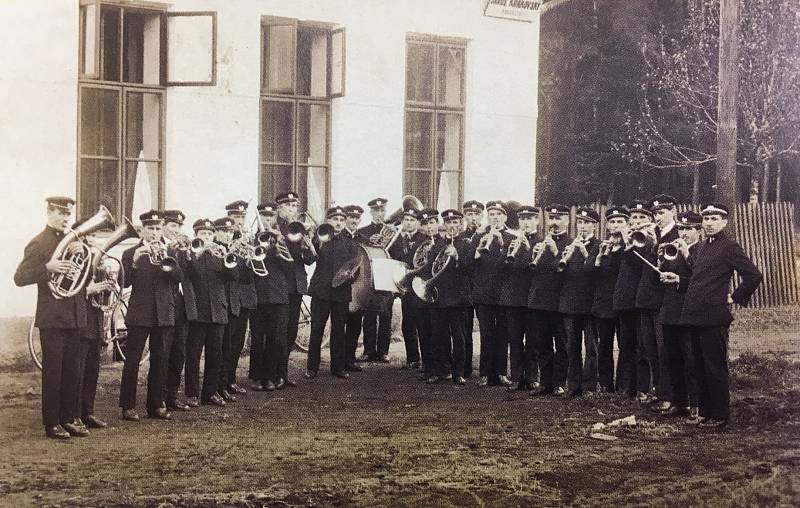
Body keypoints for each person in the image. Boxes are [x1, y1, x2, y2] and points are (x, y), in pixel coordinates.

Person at [662, 203, 762, 429]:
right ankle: (705, 413)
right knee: (698, 366)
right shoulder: (704, 246)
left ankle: (719, 415)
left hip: (713, 317)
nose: (709, 223)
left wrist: (733, 297)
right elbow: (701, 281)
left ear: (724, 222)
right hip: (693, 316)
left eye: (714, 219)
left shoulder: (730, 247)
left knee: (714, 367)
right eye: (706, 219)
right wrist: (678, 281)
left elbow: (753, 275)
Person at [15, 196, 89, 439]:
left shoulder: (75, 241)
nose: (66, 218)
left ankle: (69, 418)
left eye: (68, 214)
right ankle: (52, 423)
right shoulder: (39, 243)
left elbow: (83, 278)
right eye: (60, 213)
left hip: (74, 315)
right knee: (54, 371)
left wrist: (83, 254)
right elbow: (20, 277)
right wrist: (48, 268)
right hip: (52, 317)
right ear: (49, 213)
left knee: (72, 371)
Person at [119, 210, 184, 421]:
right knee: (132, 361)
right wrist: (135, 263)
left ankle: (156, 404)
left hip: (164, 313)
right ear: (142, 230)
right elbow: (124, 283)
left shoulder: (170, 250)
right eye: (150, 229)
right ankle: (128, 406)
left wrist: (168, 257)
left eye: (157, 228)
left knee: (160, 360)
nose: (155, 233)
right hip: (140, 313)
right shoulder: (131, 253)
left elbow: (179, 277)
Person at [184, 218, 235, 407]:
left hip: (218, 310)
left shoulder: (219, 253)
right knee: (194, 354)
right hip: (199, 311)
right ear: (196, 235)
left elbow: (232, 277)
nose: (207, 237)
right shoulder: (191, 254)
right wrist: (199, 252)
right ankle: (191, 393)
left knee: (216, 354)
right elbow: (193, 273)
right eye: (203, 234)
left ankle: (211, 392)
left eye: (209, 234)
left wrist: (227, 256)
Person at [656, 210, 702, 419]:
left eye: (688, 229)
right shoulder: (671, 249)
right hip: (670, 310)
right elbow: (661, 277)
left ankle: (696, 403)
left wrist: (686, 254)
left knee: (691, 359)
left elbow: (702, 280)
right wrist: (662, 269)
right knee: (672, 357)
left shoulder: (701, 251)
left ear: (698, 231)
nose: (683, 233)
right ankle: (679, 400)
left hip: (690, 312)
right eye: (681, 229)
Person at [305, 206, 359, 379]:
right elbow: (308, 260)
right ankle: (312, 368)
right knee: (317, 329)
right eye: (335, 219)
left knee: (338, 330)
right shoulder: (318, 238)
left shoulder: (350, 243)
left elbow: (355, 267)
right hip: (321, 291)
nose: (339, 223)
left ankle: (338, 368)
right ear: (328, 221)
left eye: (342, 220)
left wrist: (349, 276)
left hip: (341, 292)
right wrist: (314, 243)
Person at [426, 209, 475, 385]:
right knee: (438, 335)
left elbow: (470, 269)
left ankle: (458, 373)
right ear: (444, 225)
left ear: (460, 224)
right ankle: (440, 371)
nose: (452, 226)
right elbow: (430, 269)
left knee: (459, 337)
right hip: (439, 296)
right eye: (449, 223)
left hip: (459, 297)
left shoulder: (467, 245)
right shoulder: (437, 245)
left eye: (455, 223)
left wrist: (456, 257)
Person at [528, 204, 572, 396]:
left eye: (559, 218)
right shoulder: (541, 242)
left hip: (558, 301)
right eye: (552, 219)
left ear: (567, 221)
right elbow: (533, 271)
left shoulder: (571, 243)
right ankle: (545, 382)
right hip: (539, 300)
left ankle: (559, 382)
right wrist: (534, 253)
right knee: (542, 343)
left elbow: (569, 274)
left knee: (561, 344)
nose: (554, 223)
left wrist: (555, 252)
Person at [472, 201, 517, 387]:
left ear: (505, 217)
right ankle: (485, 373)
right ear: (487, 217)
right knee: (487, 334)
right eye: (492, 215)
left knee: (503, 334)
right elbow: (468, 264)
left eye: (499, 214)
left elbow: (511, 266)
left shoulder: (511, 237)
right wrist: (478, 249)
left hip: (503, 294)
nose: (495, 218)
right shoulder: (479, 236)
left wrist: (500, 244)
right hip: (484, 293)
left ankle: (500, 373)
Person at [250, 204, 293, 391]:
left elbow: (290, 270)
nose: (267, 221)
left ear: (275, 219)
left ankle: (272, 376)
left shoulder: (282, 240)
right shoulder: (252, 240)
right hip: (258, 296)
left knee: (276, 339)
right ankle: (257, 377)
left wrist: (278, 249)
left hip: (278, 295)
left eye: (270, 217)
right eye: (264, 217)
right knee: (258, 338)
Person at [77, 219, 115, 429]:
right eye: (88, 236)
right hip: (80, 321)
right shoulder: (76, 258)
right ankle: (74, 414)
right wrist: (89, 290)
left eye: (94, 236)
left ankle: (87, 412)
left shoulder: (98, 260)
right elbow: (71, 291)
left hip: (95, 320)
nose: (92, 240)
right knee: (79, 370)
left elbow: (105, 298)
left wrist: (108, 283)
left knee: (93, 369)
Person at [559, 207, 601, 397]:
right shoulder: (570, 245)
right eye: (580, 223)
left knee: (591, 347)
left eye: (587, 223)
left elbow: (596, 273)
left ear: (594, 225)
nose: (583, 227)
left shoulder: (599, 246)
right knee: (571, 347)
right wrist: (564, 258)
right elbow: (559, 273)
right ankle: (573, 385)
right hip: (570, 304)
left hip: (590, 305)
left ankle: (589, 385)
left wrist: (585, 253)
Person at [276, 191, 316, 380]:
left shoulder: (300, 229)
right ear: (279, 209)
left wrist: (307, 244)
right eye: (288, 206)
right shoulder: (277, 228)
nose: (292, 209)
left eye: (294, 206)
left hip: (297, 284)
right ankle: (275, 373)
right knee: (280, 332)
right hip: (280, 285)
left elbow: (309, 260)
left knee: (291, 330)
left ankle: (282, 372)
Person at [589, 206, 628, 393]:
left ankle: (623, 384)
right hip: (604, 304)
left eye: (620, 221)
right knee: (604, 345)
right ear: (607, 225)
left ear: (627, 224)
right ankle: (605, 383)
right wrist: (598, 259)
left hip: (622, 304)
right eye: (612, 222)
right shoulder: (601, 247)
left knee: (625, 345)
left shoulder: (631, 247)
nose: (616, 225)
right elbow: (593, 276)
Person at [162, 209, 195, 412]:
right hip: (167, 304)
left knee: (179, 352)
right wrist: (172, 253)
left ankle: (172, 395)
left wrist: (189, 255)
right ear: (164, 226)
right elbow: (172, 277)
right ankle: (160, 396)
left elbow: (190, 275)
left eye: (179, 226)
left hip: (183, 305)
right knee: (163, 352)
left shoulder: (182, 248)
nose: (176, 230)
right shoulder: (161, 249)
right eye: (173, 226)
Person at [502, 205, 538, 391]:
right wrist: (511, 251)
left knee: (532, 340)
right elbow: (503, 267)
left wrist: (528, 249)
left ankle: (532, 377)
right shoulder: (511, 242)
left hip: (532, 298)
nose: (525, 223)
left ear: (536, 221)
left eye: (530, 219)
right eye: (523, 219)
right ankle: (516, 377)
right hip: (513, 297)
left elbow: (540, 268)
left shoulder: (542, 241)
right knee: (514, 339)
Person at [224, 200, 258, 395]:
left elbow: (249, 274)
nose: (239, 221)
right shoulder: (225, 237)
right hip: (229, 297)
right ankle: (222, 382)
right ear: (229, 217)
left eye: (242, 217)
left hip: (244, 296)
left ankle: (231, 379)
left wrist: (248, 255)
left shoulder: (249, 239)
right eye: (235, 217)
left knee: (238, 342)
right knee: (227, 342)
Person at [214, 216, 247, 403]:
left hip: (234, 303)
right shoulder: (214, 250)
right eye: (223, 231)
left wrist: (243, 257)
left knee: (231, 347)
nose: (226, 235)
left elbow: (242, 278)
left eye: (228, 231)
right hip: (220, 304)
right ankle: (218, 387)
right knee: (219, 349)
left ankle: (226, 384)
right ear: (217, 233)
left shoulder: (235, 249)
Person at [388, 208, 426, 369]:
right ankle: (413, 359)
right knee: (407, 324)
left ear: (417, 222)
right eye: (406, 220)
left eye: (412, 220)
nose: (408, 223)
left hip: (420, 285)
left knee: (422, 324)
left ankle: (427, 360)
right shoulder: (396, 240)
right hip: (405, 287)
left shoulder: (424, 239)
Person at [357, 198, 393, 363]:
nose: (380, 214)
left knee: (386, 315)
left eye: (382, 211)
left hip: (386, 275)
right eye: (377, 211)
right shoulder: (363, 232)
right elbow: (360, 251)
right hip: (370, 276)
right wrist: (369, 241)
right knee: (369, 315)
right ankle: (368, 350)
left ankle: (383, 351)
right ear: (371, 212)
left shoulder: (392, 231)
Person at [460, 200, 485, 378]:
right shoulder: (460, 237)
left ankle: (486, 370)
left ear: (481, 216)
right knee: (465, 330)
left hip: (483, 289)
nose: (473, 218)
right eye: (469, 214)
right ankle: (465, 367)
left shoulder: (490, 235)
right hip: (465, 289)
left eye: (476, 214)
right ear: (465, 217)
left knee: (486, 331)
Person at [342, 204, 366, 371]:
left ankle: (350, 358)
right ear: (345, 218)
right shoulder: (338, 237)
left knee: (355, 324)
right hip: (341, 286)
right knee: (340, 324)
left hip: (359, 286)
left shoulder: (363, 238)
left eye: (357, 218)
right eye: (351, 217)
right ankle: (339, 360)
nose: (354, 221)